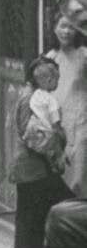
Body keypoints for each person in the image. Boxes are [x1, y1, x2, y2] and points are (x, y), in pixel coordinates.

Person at [10, 55, 73, 248]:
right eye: (54, 76)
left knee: (33, 211)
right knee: (65, 205)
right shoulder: (31, 99)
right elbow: (33, 136)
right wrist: (56, 152)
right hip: (34, 166)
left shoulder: (30, 96)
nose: (56, 81)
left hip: (31, 166)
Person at [47, 13, 87, 198]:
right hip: (58, 124)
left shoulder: (83, 55)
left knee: (79, 175)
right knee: (58, 176)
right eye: (63, 26)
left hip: (81, 121)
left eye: (71, 27)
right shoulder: (50, 58)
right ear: (55, 29)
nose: (66, 31)